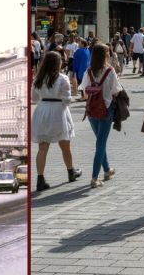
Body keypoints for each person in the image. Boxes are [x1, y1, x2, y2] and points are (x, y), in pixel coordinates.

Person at [31, 52, 82, 191]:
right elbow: (67, 99)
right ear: (57, 63)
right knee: (65, 145)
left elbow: (34, 98)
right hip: (58, 110)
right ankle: (71, 172)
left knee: (42, 148)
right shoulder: (62, 78)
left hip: (42, 110)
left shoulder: (38, 79)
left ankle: (40, 179)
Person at [78, 44, 123, 188]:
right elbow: (116, 91)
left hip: (91, 110)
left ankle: (107, 169)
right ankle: (94, 178)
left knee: (99, 141)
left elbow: (84, 92)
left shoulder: (88, 71)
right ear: (105, 55)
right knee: (101, 143)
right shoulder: (110, 71)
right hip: (106, 110)